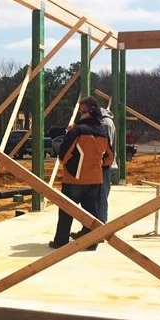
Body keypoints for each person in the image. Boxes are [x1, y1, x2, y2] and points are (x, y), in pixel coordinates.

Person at [51, 97, 112, 250]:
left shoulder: (77, 130)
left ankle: (61, 241)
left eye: (81, 109)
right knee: (91, 214)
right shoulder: (103, 131)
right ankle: (91, 243)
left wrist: (69, 166)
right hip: (95, 180)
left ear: (86, 111)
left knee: (66, 212)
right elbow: (109, 158)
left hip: (74, 179)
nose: (79, 112)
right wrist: (96, 167)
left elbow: (64, 153)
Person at [73, 104, 117, 238]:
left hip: (101, 166)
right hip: (99, 166)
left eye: (83, 114)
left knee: (99, 198)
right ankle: (90, 230)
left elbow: (102, 148)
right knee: (94, 199)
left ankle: (98, 232)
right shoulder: (104, 122)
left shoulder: (105, 124)